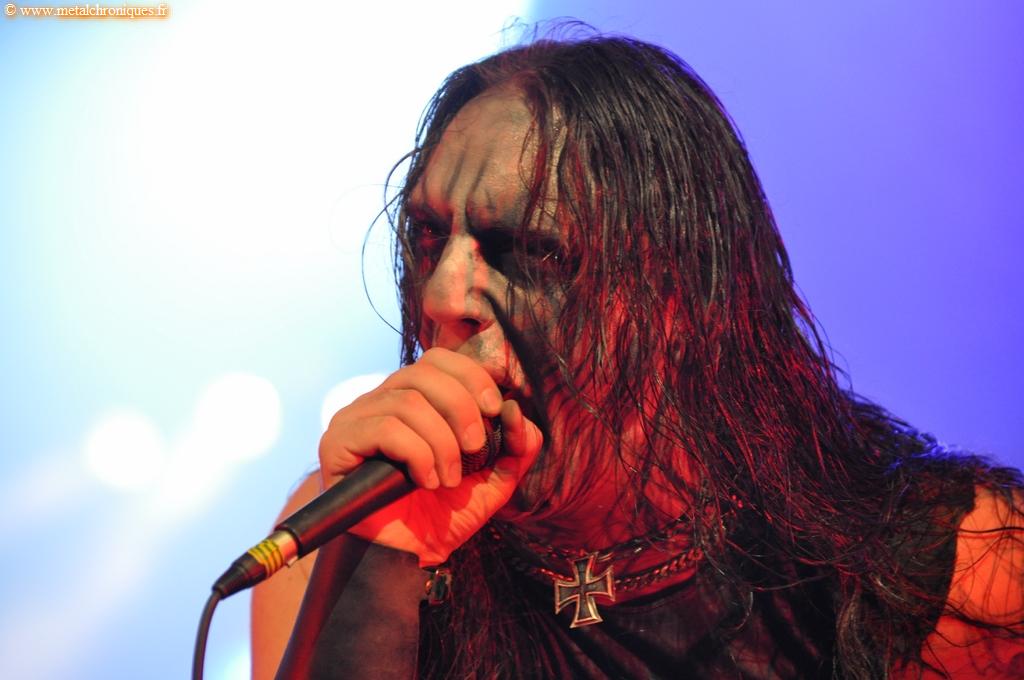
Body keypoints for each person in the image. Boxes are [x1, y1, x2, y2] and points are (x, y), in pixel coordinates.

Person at [252, 35, 1024, 679]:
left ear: (681, 292)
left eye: (530, 249)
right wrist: (382, 558)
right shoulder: (338, 536)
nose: (442, 295)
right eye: (429, 237)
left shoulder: (947, 570)